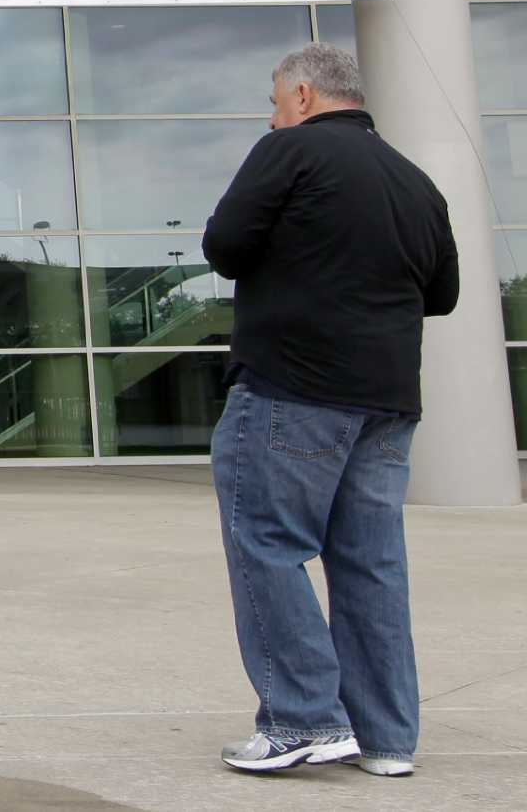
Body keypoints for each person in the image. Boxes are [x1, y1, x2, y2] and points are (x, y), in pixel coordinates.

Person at [201, 44, 458, 777]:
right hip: (386, 403)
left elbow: (223, 245)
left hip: (291, 389)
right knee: (371, 565)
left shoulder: (289, 152)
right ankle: (385, 738)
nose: (272, 113)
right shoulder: (416, 181)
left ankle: (303, 718)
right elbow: (441, 295)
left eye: (275, 99)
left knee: (268, 543)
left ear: (305, 96)